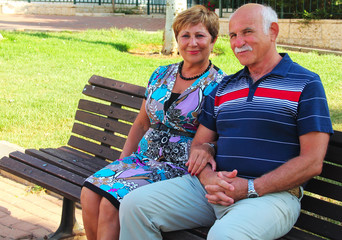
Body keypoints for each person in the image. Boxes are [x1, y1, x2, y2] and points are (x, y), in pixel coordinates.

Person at [118, 3, 334, 240]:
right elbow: (199, 145)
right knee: (135, 205)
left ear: (273, 31)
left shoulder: (305, 83)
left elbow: (312, 161)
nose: (238, 42)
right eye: (233, 35)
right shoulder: (225, 88)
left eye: (247, 32)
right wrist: (209, 178)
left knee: (224, 235)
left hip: (272, 196)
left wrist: (251, 188)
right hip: (212, 189)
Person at [80, 5, 227, 240]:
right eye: (185, 36)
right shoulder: (161, 74)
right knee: (88, 192)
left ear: (213, 40)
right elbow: (141, 123)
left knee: (110, 204)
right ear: (177, 39)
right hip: (142, 160)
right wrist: (123, 161)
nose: (192, 43)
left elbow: (213, 138)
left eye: (200, 35)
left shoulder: (220, 85)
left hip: (177, 168)